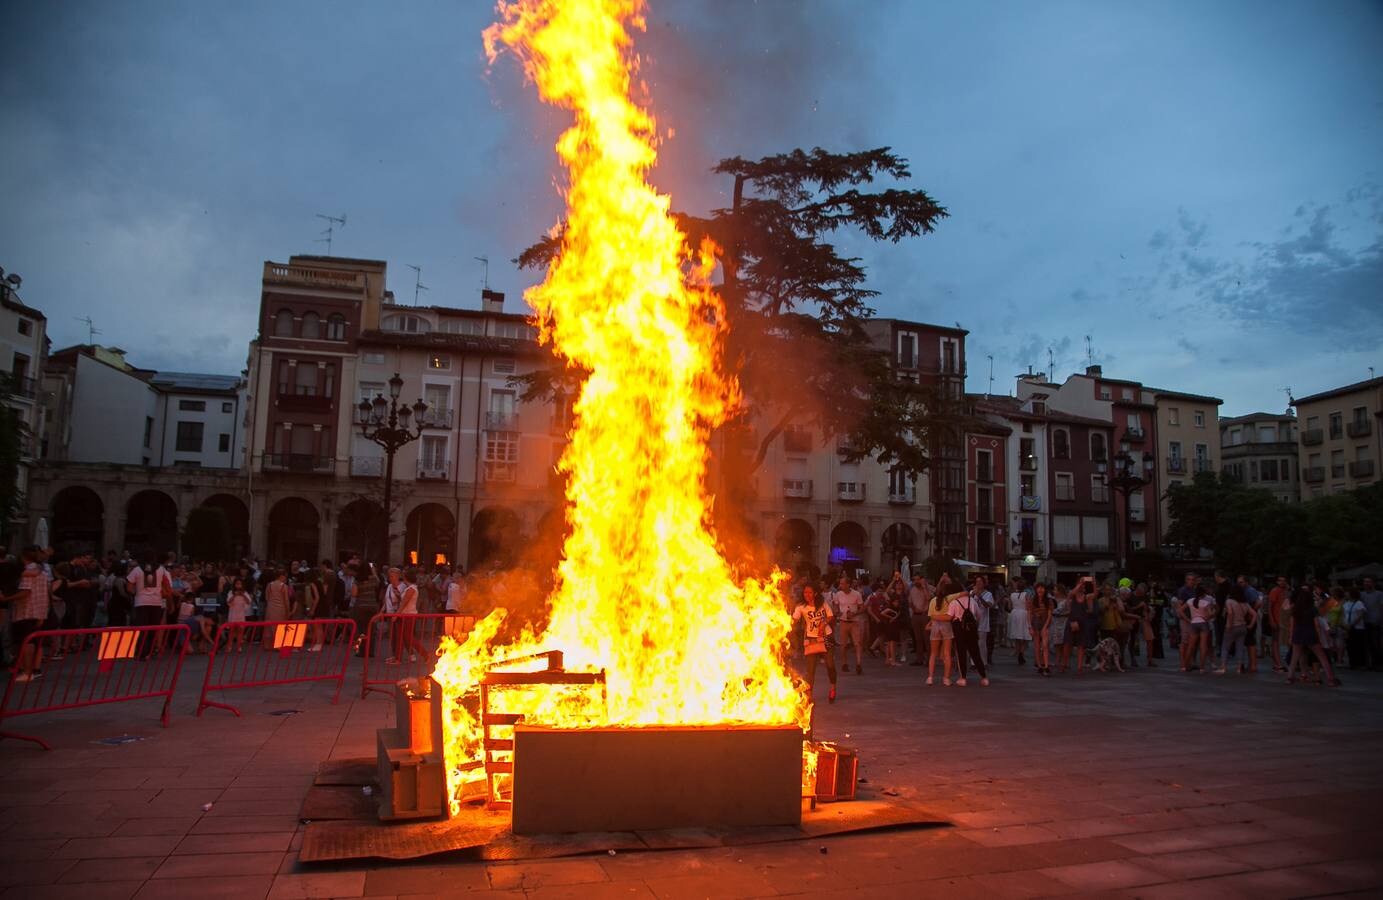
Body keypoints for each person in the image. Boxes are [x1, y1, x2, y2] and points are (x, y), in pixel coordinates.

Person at [9, 547, 50, 683]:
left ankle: (27, 671)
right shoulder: (42, 572)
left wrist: (7, 599)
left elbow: (25, 592)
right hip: (38, 611)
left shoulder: (27, 573)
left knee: (26, 641)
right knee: (33, 642)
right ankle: (30, 669)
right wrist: (43, 613)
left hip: (26, 610)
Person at [1285, 587, 1341, 687]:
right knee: (1322, 656)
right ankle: (1330, 679)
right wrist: (1319, 636)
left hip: (1298, 633)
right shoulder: (1312, 609)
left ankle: (1289, 677)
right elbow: (1317, 625)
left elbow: (1292, 624)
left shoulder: (1296, 609)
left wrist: (1290, 636)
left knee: (1295, 656)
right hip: (1310, 633)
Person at [792, 584, 837, 703]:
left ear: (815, 593)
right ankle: (809, 695)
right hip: (811, 638)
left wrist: (823, 623)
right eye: (805, 592)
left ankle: (832, 688)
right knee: (810, 670)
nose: (807, 595)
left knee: (830, 665)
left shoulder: (822, 603)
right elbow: (794, 619)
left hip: (825, 636)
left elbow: (830, 616)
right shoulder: (801, 606)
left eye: (810, 592)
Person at [948, 579, 989, 686]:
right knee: (975, 653)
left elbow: (949, 617)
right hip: (971, 629)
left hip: (959, 630)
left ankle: (963, 678)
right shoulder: (972, 601)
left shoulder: (954, 602)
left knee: (961, 653)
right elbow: (978, 616)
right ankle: (984, 677)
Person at [1216, 584, 1256, 674]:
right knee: (1240, 648)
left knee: (1225, 647)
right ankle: (1239, 668)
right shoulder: (1245, 603)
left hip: (1232, 626)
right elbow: (1254, 614)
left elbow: (1230, 613)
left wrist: (1229, 625)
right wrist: (1251, 625)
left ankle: (1223, 667)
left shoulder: (1229, 601)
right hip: (1243, 627)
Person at [925, 575, 957, 686]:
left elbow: (930, 616)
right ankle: (946, 678)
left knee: (933, 654)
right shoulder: (949, 599)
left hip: (935, 626)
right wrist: (948, 580)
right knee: (947, 653)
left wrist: (941, 580)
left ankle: (930, 677)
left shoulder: (933, 601)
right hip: (946, 625)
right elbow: (965, 593)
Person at [833, 576, 866, 674]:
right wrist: (836, 611)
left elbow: (862, 607)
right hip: (843, 621)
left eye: (843, 584)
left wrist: (854, 613)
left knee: (857, 643)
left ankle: (859, 664)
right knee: (843, 645)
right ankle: (844, 663)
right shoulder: (838, 594)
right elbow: (835, 606)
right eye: (840, 583)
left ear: (848, 584)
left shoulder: (856, 594)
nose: (841, 585)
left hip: (854, 622)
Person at [1186, 582, 1217, 673]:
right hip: (1204, 623)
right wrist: (1211, 615)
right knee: (1203, 646)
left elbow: (1180, 610)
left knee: (1191, 646)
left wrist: (1188, 619)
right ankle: (1202, 667)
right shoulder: (1206, 602)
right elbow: (1210, 614)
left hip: (1193, 623)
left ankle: (1186, 665)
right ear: (1204, 593)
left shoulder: (1190, 601)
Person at [262, 569, 291, 649]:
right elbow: (286, 600)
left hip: (270, 608)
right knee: (280, 626)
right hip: (280, 608)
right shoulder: (284, 586)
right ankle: (279, 645)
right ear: (282, 576)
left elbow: (267, 597)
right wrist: (288, 611)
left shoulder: (269, 585)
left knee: (268, 626)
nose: (286, 578)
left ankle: (267, 645)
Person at [907, 575, 931, 667]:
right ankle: (919, 658)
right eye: (914, 580)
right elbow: (910, 601)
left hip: (924, 615)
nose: (916, 581)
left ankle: (929, 659)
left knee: (926, 639)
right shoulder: (912, 590)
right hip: (915, 615)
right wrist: (914, 608)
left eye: (918, 579)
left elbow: (929, 598)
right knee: (918, 639)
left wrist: (924, 587)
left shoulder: (926, 588)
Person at [1341, 588, 1368, 670]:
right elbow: (1343, 614)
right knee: (1350, 646)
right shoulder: (1346, 603)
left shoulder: (1359, 603)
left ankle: (1361, 663)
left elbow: (1360, 615)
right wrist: (1344, 624)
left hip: (1357, 627)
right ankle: (1352, 662)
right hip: (1347, 627)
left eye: (1347, 593)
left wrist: (1352, 624)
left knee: (1358, 645)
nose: (1346, 594)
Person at [1029, 582, 1053, 676]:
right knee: (1037, 646)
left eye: (1042, 588)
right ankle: (1039, 665)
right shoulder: (1033, 600)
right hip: (1035, 623)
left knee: (1045, 645)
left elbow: (1050, 615)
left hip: (1044, 623)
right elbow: (1030, 614)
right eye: (1038, 588)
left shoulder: (1048, 601)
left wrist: (1045, 626)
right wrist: (1030, 626)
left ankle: (1046, 666)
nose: (1040, 590)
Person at [1360, 576, 1383, 671]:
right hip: (1364, 622)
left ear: (1373, 583)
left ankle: (1378, 663)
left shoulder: (1380, 594)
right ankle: (1368, 663)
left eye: (1369, 582)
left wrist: (1380, 620)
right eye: (1365, 582)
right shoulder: (1361, 594)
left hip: (1376, 622)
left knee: (1376, 644)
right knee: (1367, 644)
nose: (1366, 583)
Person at [1008, 578, 1031, 667]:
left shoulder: (1012, 595)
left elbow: (1010, 607)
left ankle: (1018, 652)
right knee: (1024, 635)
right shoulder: (1026, 595)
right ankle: (1021, 652)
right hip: (1023, 614)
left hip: (1015, 614)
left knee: (1017, 635)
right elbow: (1028, 606)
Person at [226, 578, 253, 652]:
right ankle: (229, 646)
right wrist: (235, 595)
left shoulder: (245, 593)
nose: (238, 585)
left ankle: (239, 646)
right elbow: (228, 601)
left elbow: (248, 601)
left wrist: (243, 595)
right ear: (234, 585)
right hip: (233, 613)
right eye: (237, 584)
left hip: (241, 613)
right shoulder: (231, 592)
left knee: (240, 630)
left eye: (240, 584)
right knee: (232, 630)